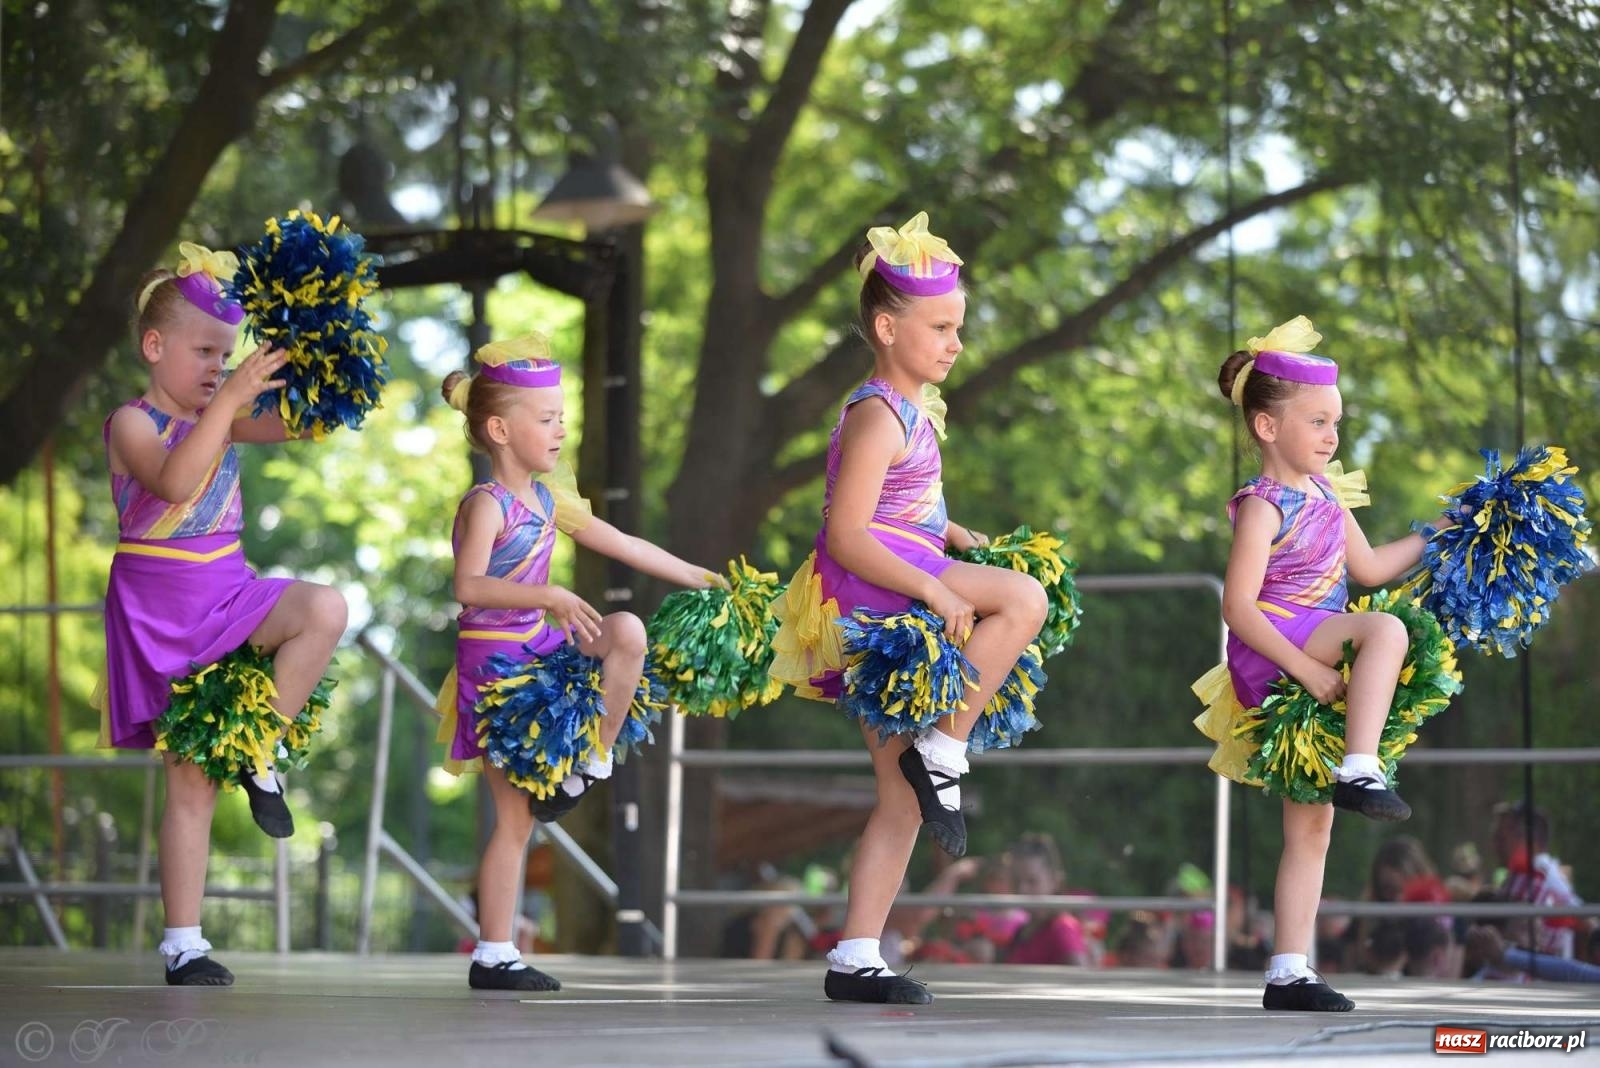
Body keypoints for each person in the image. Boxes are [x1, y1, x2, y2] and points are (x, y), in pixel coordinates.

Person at [770, 212, 1048, 1004]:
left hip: (904, 570)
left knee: (899, 797)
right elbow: (847, 532)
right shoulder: (877, 413)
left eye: (959, 327)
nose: (957, 342)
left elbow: (901, 503)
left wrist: (954, 534)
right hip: (879, 592)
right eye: (941, 327)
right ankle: (945, 748)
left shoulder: (914, 411)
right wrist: (935, 585)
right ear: (889, 329)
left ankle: (856, 956)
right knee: (1022, 599)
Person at [435, 333, 719, 991]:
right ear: (501, 430)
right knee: (514, 822)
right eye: (547, 418)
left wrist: (702, 578)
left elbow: (623, 543)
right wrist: (551, 595)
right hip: (497, 669)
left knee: (626, 631)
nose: (561, 429)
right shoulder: (487, 504)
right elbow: (469, 587)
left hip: (542, 650)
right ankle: (494, 954)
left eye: (563, 417)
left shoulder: (546, 500)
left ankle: (592, 760)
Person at [1192, 316, 1458, 1012]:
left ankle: (1289, 972)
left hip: (1317, 637)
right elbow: (1238, 607)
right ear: (1267, 427)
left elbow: (1368, 568)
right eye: (1317, 421)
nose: (1332, 435)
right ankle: (1361, 768)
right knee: (1386, 631)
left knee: (1311, 827)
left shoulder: (1327, 494)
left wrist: (1439, 533)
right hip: (1277, 646)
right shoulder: (1263, 505)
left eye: (1336, 421)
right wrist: (1308, 671)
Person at [101, 244, 347, 985]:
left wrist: (319, 343)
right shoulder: (132, 423)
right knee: (189, 784)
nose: (218, 366)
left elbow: (310, 423)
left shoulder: (224, 415)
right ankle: (184, 944)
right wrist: (230, 402)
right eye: (204, 352)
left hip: (229, 593)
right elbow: (176, 482)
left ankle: (258, 749)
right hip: (161, 615)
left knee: (325, 608)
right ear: (154, 347)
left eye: (226, 354)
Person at [1490, 801, 1589, 960]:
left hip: (1536, 971)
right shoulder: (1548, 872)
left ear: (1524, 838)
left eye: (1500, 838)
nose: (1494, 845)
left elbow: (1507, 940)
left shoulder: (1529, 876)